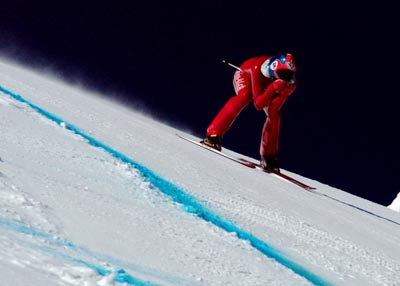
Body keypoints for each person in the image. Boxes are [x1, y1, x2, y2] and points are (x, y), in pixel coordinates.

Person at [201, 53, 297, 173]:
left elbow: (274, 107)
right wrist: (273, 87)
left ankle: (268, 156)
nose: (285, 78)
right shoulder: (259, 68)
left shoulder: (290, 84)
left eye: (289, 75)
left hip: (267, 86)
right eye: (283, 74)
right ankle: (213, 134)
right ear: (274, 67)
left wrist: (277, 89)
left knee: (274, 114)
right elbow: (258, 104)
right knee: (245, 96)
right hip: (245, 74)